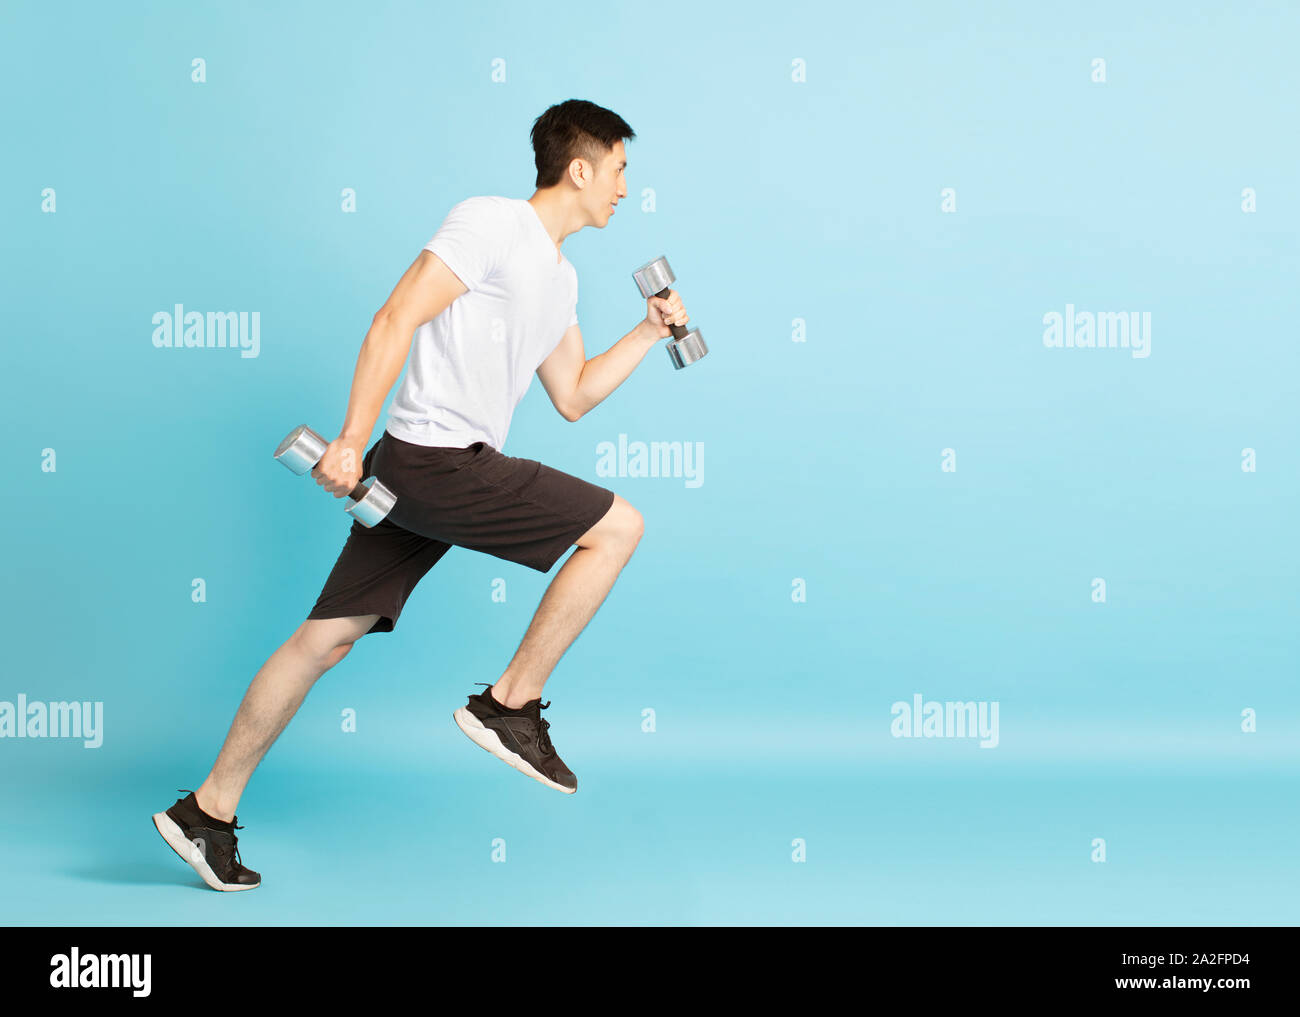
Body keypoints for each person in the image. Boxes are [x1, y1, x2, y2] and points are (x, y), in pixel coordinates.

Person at [151, 98, 689, 891]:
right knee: (618, 528)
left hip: (427, 475)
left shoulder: (561, 277)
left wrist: (647, 332)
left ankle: (208, 810)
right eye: (619, 171)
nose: (624, 189)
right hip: (436, 460)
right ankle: (511, 704)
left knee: (324, 639)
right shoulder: (492, 222)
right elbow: (395, 315)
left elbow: (572, 394)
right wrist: (346, 437)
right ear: (580, 167)